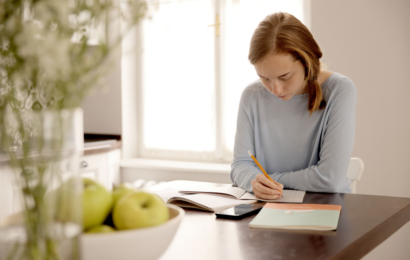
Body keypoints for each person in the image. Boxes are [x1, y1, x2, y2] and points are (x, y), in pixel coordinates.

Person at [229, 12, 357, 200]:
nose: (275, 89)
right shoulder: (251, 96)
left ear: (307, 62)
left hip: (326, 208)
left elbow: (330, 179)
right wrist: (253, 181)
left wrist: (268, 181)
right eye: (264, 78)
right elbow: (240, 165)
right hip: (267, 209)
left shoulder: (340, 90)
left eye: (285, 76)